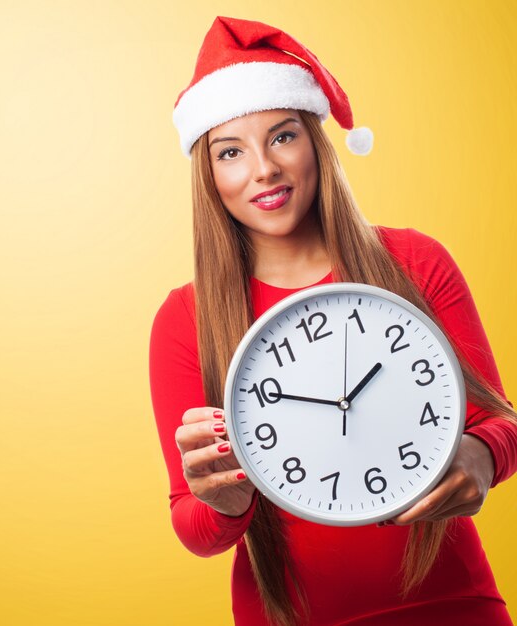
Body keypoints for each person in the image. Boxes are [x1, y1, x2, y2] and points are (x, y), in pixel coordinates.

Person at [149, 16, 517, 626]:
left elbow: (500, 422)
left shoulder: (414, 262)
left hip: (455, 608)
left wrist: (478, 456)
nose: (263, 170)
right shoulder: (186, 320)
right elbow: (194, 526)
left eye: (282, 137)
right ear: (210, 176)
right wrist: (226, 501)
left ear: (315, 143)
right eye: (231, 152)